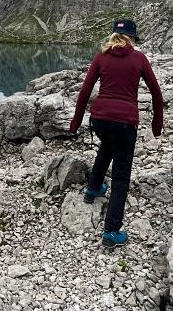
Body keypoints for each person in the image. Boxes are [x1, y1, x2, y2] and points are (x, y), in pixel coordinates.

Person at [69, 19, 163, 247]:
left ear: (113, 36)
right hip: (124, 122)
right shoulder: (139, 58)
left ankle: (93, 188)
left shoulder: (101, 56)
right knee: (121, 177)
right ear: (132, 38)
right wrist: (157, 125)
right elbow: (156, 92)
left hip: (100, 119)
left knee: (107, 147)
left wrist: (76, 122)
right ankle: (111, 231)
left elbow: (85, 91)